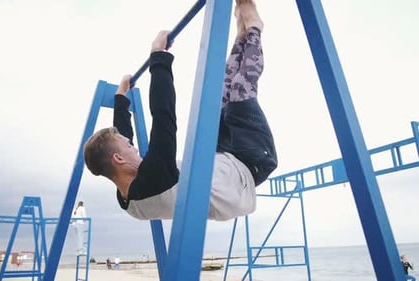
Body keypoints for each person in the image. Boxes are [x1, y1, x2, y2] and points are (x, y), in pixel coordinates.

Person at [84, 0, 277, 221]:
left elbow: (119, 139)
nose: (135, 148)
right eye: (129, 146)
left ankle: (241, 36)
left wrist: (121, 99)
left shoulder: (127, 196)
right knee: (241, 89)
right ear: (118, 159)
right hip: (250, 164)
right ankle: (254, 27)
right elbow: (163, 115)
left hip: (222, 161)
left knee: (223, 91)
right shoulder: (154, 177)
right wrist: (159, 57)